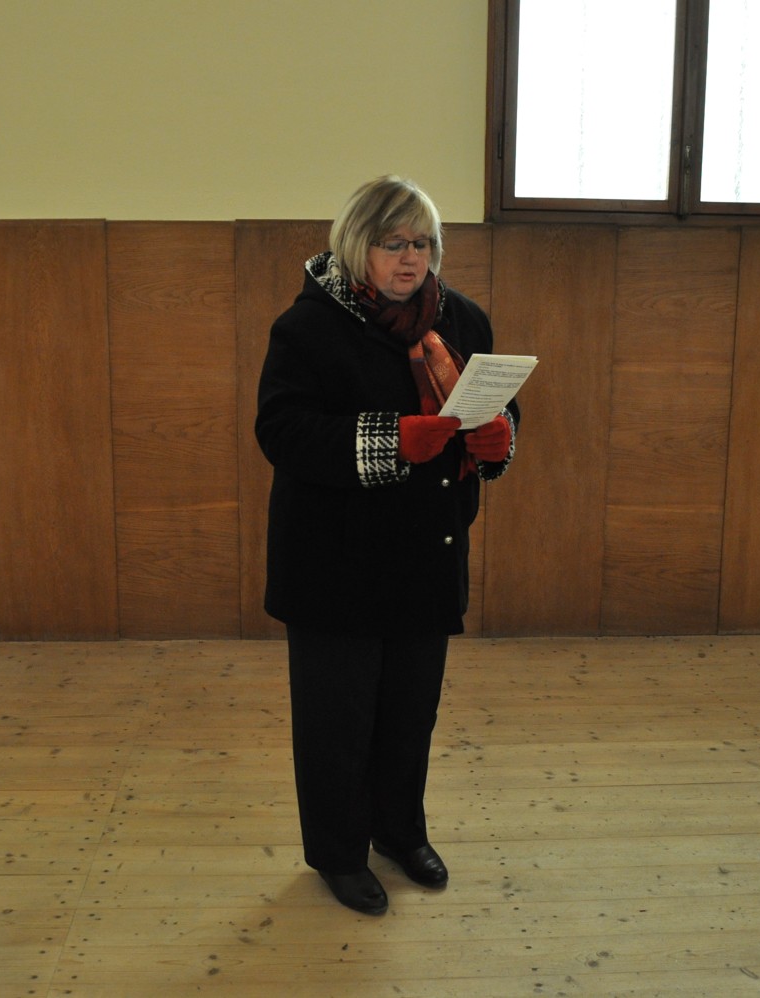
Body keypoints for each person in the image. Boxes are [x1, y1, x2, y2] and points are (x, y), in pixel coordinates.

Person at [255, 175, 520, 915]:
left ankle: (400, 834)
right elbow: (281, 432)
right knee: (336, 723)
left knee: (409, 715)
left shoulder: (461, 319)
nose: (411, 258)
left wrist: (500, 440)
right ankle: (339, 855)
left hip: (425, 552)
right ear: (356, 245)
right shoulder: (307, 328)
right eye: (393, 242)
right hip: (333, 563)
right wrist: (392, 440)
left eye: (423, 243)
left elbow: (498, 411)